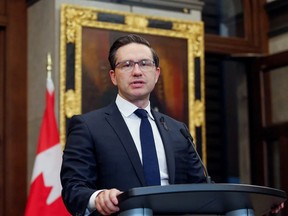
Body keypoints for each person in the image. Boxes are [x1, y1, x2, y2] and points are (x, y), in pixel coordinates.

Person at [60, 34, 284, 216]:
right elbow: (73, 189)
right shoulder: (88, 126)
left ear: (156, 74)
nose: (137, 71)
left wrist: (257, 206)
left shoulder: (177, 130)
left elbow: (203, 189)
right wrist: (97, 197)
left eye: (145, 64)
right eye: (127, 65)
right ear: (113, 76)